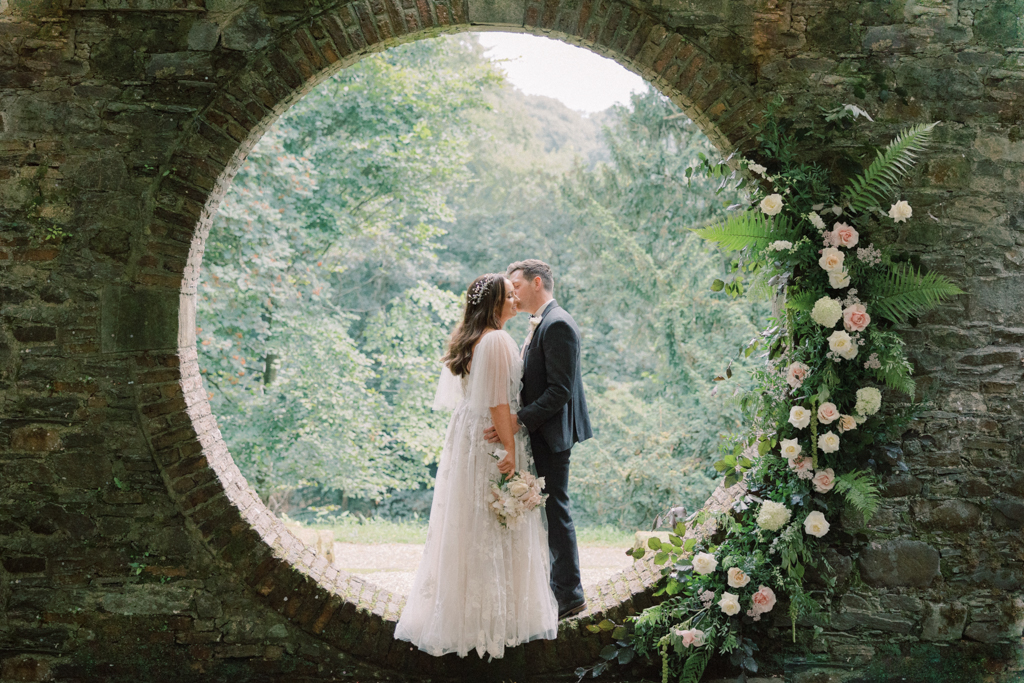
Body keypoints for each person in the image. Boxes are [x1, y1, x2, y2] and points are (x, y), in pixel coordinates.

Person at [394, 273, 557, 660]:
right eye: (509, 294)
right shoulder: (498, 339)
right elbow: (500, 403)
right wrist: (510, 453)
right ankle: (495, 622)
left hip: (467, 433)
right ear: (496, 303)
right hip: (490, 435)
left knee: (471, 520)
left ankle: (463, 616)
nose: (516, 298)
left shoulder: (471, 339)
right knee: (496, 518)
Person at [485, 259, 592, 620]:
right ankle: (557, 590)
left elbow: (560, 390)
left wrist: (517, 421)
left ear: (535, 282)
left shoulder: (558, 323)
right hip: (542, 430)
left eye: (514, 283)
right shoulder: (541, 322)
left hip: (552, 433)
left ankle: (570, 595)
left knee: (555, 510)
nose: (511, 290)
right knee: (547, 509)